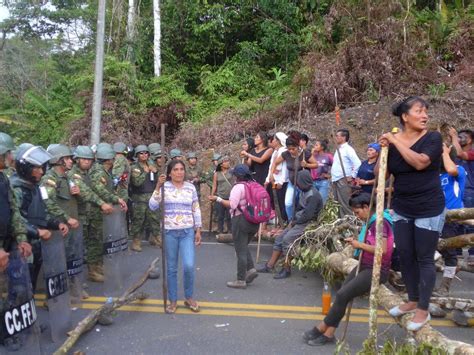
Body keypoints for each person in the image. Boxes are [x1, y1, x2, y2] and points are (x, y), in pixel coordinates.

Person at [380, 96, 445, 331]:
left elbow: (420, 163)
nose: (425, 115)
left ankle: (423, 309)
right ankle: (412, 299)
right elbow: (382, 172)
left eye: (426, 111)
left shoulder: (433, 138)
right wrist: (384, 149)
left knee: (424, 257)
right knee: (405, 254)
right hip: (403, 206)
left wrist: (396, 141)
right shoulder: (395, 142)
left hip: (429, 206)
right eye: (419, 111)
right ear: (405, 117)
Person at [303, 193, 394, 346]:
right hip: (364, 265)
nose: (357, 217)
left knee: (342, 294)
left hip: (376, 270)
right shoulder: (371, 222)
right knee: (342, 295)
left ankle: (323, 328)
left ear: (366, 207)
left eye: (358, 212)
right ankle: (329, 333)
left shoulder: (381, 222)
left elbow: (383, 249)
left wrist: (359, 245)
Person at [11, 145, 69, 291]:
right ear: (26, 168)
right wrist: (38, 232)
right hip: (21, 245)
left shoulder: (34, 188)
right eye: (36, 168)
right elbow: (14, 219)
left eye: (42, 167)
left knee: (31, 283)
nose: (41, 172)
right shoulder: (17, 189)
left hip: (35, 245)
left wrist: (56, 224)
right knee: (20, 288)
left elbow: (41, 213)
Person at [149, 160, 202, 314]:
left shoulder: (190, 187)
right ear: (170, 172)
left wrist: (198, 229)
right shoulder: (164, 188)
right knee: (171, 268)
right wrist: (158, 186)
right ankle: (172, 300)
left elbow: (196, 209)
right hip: (169, 232)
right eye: (176, 169)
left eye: (181, 169)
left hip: (187, 232)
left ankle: (189, 297)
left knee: (189, 265)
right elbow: (152, 206)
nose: (179, 172)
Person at [257, 170, 323, 279]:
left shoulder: (313, 195)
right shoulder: (304, 191)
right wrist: (291, 221)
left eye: (298, 183)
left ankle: (287, 268)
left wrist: (294, 223)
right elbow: (298, 209)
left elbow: (308, 215)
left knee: (287, 240)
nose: (297, 185)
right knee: (279, 239)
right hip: (299, 221)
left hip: (308, 223)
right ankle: (270, 266)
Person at [209, 164, 260, 289]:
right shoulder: (255, 184)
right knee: (243, 246)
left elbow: (232, 205)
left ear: (237, 176)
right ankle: (251, 269)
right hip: (255, 220)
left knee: (240, 249)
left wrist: (218, 199)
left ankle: (240, 280)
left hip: (241, 220)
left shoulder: (238, 187)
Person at [69, 146, 114, 283]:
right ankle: (75, 283)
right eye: (84, 159)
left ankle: (93, 269)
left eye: (89, 159)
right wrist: (102, 203)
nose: (87, 162)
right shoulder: (73, 174)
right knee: (78, 248)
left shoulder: (88, 173)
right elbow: (86, 192)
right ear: (77, 159)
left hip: (89, 213)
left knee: (94, 242)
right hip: (79, 214)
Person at [89, 145, 128, 282]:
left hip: (104, 210)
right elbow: (100, 191)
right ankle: (92, 270)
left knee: (101, 239)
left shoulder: (105, 171)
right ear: (108, 159)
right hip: (96, 211)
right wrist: (116, 199)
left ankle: (98, 265)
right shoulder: (99, 172)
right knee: (95, 241)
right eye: (113, 157)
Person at [433, 144, 466, 296]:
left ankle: (445, 287)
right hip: (433, 215)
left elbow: (451, 169)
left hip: (450, 217)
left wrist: (445, 152)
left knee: (449, 252)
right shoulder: (435, 175)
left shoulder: (458, 170)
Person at [273, 137, 317, 221]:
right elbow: (276, 162)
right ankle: (291, 221)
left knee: (303, 204)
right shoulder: (286, 154)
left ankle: (303, 221)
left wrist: (306, 165)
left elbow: (316, 164)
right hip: (292, 183)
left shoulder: (305, 154)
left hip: (304, 184)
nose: (291, 151)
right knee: (288, 203)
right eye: (289, 149)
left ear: (298, 146)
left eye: (293, 149)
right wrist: (273, 172)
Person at [449, 127, 474, 262]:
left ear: (470, 139)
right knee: (456, 222)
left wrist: (453, 136)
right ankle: (457, 253)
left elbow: (460, 153)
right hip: (457, 191)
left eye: (462, 136)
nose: (459, 138)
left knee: (471, 223)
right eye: (458, 136)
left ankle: (472, 254)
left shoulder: (471, 152)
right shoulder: (455, 155)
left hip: (470, 191)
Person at [129, 145, 161, 251]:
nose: (144, 155)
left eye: (146, 153)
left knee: (154, 218)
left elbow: (158, 178)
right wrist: (145, 172)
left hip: (151, 195)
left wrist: (155, 171)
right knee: (139, 220)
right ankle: (136, 241)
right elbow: (136, 182)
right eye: (141, 153)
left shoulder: (151, 164)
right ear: (137, 155)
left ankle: (156, 237)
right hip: (139, 198)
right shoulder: (135, 167)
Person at [331, 129, 361, 217]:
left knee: (345, 202)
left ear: (343, 137)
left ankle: (349, 222)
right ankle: (341, 221)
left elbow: (357, 163)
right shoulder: (338, 149)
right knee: (337, 203)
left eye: (337, 136)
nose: (336, 138)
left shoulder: (348, 149)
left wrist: (352, 175)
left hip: (343, 178)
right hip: (336, 178)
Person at [266, 132, 289, 224]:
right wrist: (268, 179)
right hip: (273, 181)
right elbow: (271, 166)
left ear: (279, 141)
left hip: (280, 182)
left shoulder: (283, 151)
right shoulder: (275, 151)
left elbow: (284, 168)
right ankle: (278, 221)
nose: (273, 141)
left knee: (281, 201)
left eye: (275, 139)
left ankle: (284, 221)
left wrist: (282, 181)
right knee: (275, 201)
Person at [211, 156, 234, 234]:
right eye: (225, 161)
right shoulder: (216, 174)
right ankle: (220, 230)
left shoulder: (232, 171)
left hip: (230, 197)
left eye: (228, 161)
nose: (228, 163)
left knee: (229, 216)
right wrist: (212, 195)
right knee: (220, 215)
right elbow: (214, 185)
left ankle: (230, 231)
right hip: (220, 196)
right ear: (221, 164)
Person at [311, 139, 333, 203]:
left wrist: (330, 175)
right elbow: (306, 163)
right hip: (313, 182)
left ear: (322, 147)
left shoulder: (328, 156)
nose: (314, 146)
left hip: (323, 182)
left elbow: (336, 166)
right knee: (313, 202)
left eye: (316, 145)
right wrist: (312, 153)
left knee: (321, 202)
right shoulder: (313, 156)